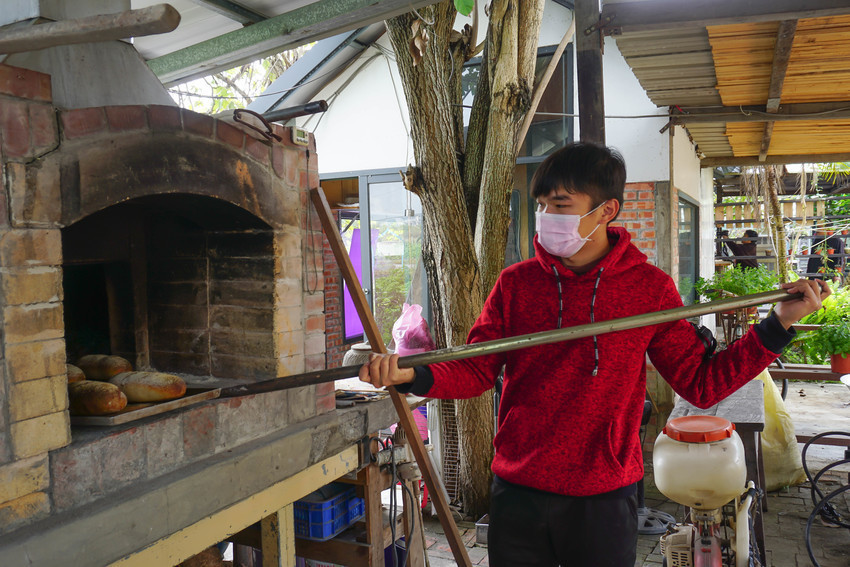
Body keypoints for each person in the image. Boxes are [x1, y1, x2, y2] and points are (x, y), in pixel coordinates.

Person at [359, 142, 829, 567]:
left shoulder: (647, 289)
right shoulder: (517, 284)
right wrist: (412, 375)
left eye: (561, 205)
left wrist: (777, 324)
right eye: (542, 205)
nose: (547, 216)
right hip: (519, 488)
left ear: (607, 211)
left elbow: (701, 384)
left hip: (604, 493)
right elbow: (478, 368)